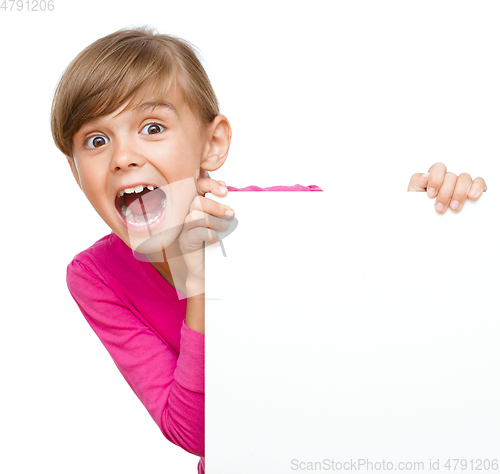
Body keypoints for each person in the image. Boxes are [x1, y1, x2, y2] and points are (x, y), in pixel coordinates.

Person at [50, 26, 487, 474]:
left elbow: (386, 331)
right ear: (75, 172)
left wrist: (421, 224)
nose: (123, 156)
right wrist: (199, 282)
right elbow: (200, 435)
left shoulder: (296, 215)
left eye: (153, 127)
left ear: (212, 143)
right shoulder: (95, 275)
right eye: (97, 141)